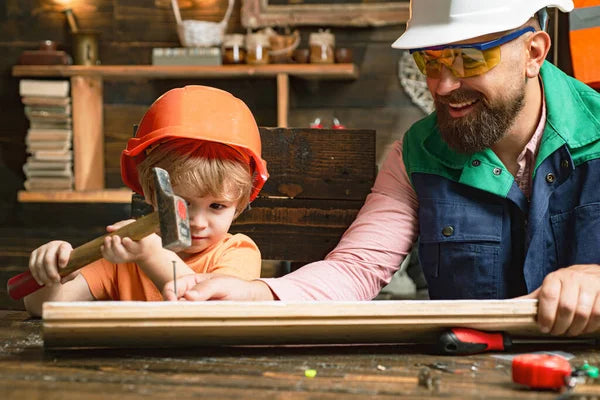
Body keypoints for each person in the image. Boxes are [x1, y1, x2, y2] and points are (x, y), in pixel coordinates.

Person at [164, 0, 600, 337]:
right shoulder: (417, 154)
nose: (443, 85)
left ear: (533, 53)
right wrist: (257, 293)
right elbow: (356, 269)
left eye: (469, 60)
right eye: (430, 61)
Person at [24, 85, 269, 317]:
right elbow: (39, 306)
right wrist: (55, 270)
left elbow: (214, 312)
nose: (197, 222)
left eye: (217, 206)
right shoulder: (126, 257)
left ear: (238, 205)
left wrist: (152, 255)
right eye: (182, 202)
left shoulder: (238, 253)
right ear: (153, 193)